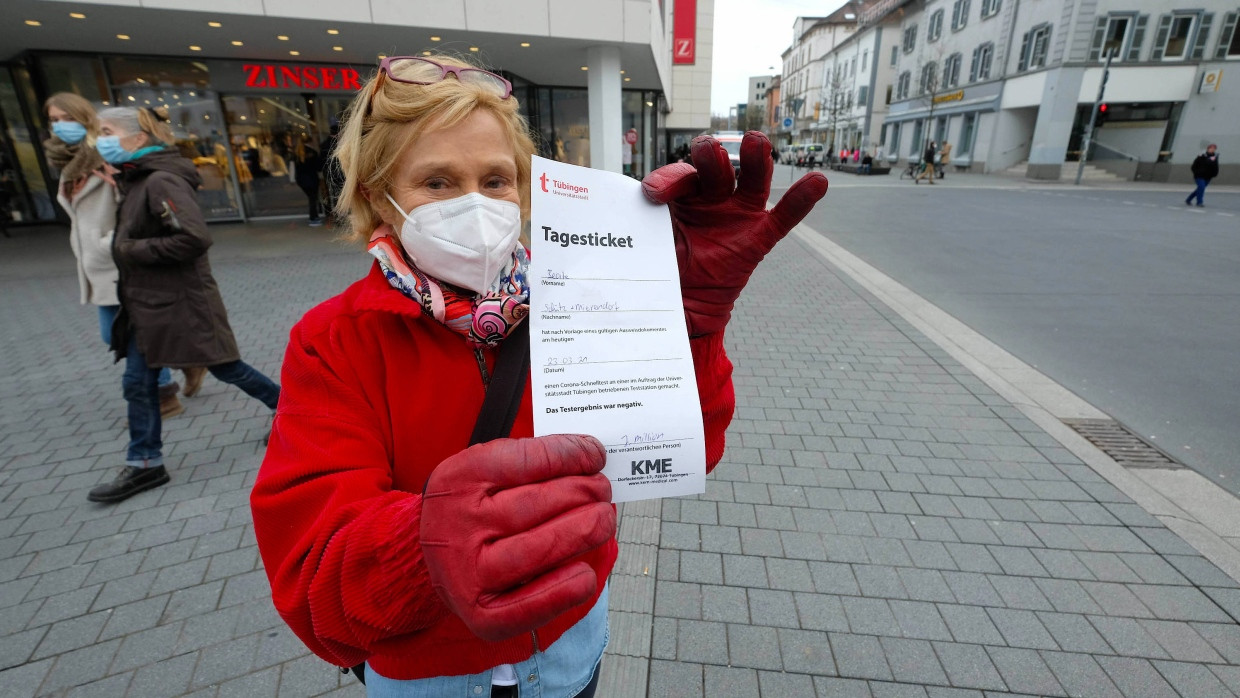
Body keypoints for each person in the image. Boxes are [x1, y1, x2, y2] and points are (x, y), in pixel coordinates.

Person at [249, 54, 827, 696]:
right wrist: (423, 552)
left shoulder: (575, 300)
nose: (474, 203)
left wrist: (685, 327)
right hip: (428, 675)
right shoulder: (334, 339)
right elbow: (310, 564)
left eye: (495, 180)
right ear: (375, 197)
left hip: (569, 643)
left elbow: (681, 449)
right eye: (436, 182)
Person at [88, 106, 281, 504]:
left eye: (106, 131)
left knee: (227, 367)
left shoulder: (160, 180)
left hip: (180, 304)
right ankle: (146, 463)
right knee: (138, 384)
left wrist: (128, 248)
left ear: (138, 138)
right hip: (147, 306)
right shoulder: (136, 178)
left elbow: (193, 237)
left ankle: (293, 412)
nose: (100, 139)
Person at [43, 92, 200, 418]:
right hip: (97, 263)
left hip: (122, 259)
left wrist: (112, 243)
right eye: (54, 120)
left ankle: (162, 399)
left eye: (66, 118)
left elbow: (140, 210)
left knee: (133, 335)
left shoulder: (106, 159)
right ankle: (187, 362)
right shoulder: (69, 165)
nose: (60, 127)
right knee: (119, 334)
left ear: (84, 118)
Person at [293, 133, 324, 226]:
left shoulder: (297, 153)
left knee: (311, 198)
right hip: (311, 179)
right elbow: (319, 167)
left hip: (301, 180)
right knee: (313, 199)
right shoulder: (312, 153)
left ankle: (314, 217)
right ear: (310, 142)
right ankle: (313, 218)